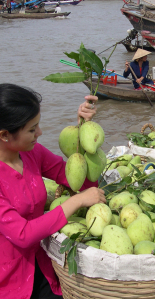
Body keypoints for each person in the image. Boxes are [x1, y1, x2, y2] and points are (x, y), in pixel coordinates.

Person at [0, 83, 106, 299]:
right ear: (4, 135)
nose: (40, 133)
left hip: (45, 267)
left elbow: (80, 183)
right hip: (10, 281)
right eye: (32, 129)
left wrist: (83, 132)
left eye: (38, 125)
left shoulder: (32, 153)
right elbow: (23, 235)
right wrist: (76, 202)